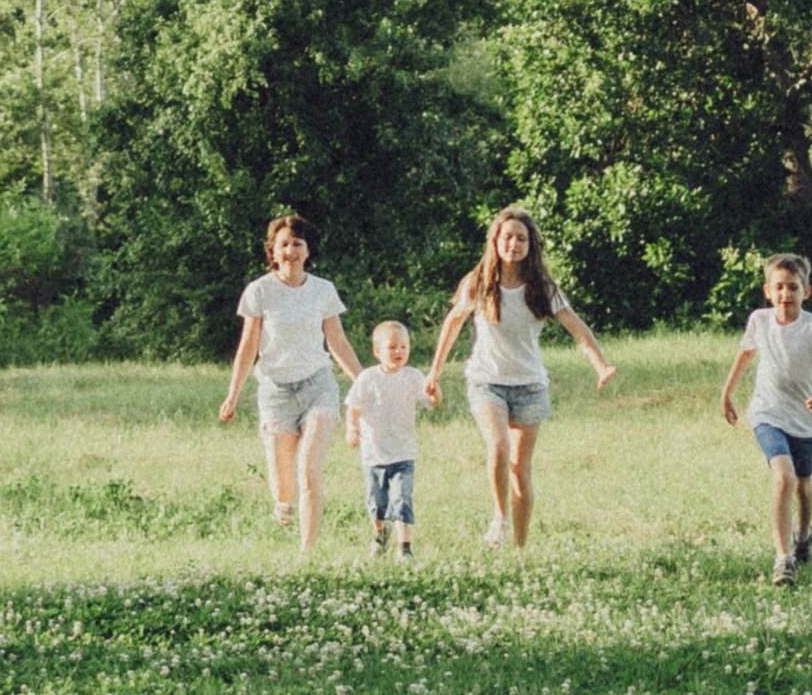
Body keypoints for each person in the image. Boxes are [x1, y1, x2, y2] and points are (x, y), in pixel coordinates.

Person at [424, 205, 617, 550]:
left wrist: (600, 365)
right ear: (496, 240)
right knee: (498, 447)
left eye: (521, 238)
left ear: (531, 245)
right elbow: (453, 323)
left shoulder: (541, 286)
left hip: (529, 385)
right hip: (487, 381)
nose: (514, 243)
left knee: (519, 469)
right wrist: (434, 372)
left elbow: (576, 326)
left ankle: (519, 548)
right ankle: (499, 517)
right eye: (507, 236)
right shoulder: (479, 281)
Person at [217, 212, 361, 552]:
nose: (291, 251)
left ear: (308, 250)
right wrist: (232, 395)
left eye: (297, 244)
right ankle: (283, 502)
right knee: (284, 484)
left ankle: (307, 551)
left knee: (310, 469)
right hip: (276, 391)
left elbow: (337, 342)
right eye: (284, 245)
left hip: (318, 386)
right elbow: (248, 345)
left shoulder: (323, 290)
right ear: (273, 251)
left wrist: (363, 382)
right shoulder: (259, 291)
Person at [718, 250, 812, 585]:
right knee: (784, 476)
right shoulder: (759, 321)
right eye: (778, 287)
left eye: (792, 287)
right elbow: (746, 353)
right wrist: (727, 393)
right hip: (767, 412)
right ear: (767, 291)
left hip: (805, 419)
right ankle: (782, 558)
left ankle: (803, 539)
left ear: (806, 291)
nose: (785, 295)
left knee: (803, 485)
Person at [343, 319, 430, 560]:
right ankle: (380, 537)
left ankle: (405, 548)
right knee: (377, 503)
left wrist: (435, 388)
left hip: (404, 452)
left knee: (402, 499)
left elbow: (432, 401)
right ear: (377, 351)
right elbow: (353, 406)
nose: (399, 352)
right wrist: (351, 428)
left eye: (404, 347)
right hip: (374, 454)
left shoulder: (413, 376)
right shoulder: (369, 378)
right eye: (392, 347)